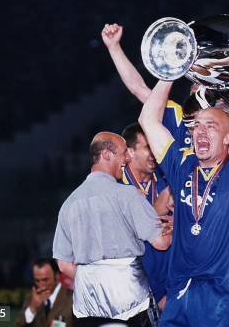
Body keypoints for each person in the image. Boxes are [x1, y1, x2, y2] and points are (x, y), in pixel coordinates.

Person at [138, 39, 229, 327]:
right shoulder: (182, 167)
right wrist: (169, 71)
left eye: (210, 126)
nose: (199, 131)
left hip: (223, 294)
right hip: (181, 290)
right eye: (196, 126)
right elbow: (148, 119)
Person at [53, 132, 171, 327]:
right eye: (124, 153)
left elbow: (64, 264)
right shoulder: (127, 195)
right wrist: (176, 226)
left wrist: (95, 277)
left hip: (87, 304)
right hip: (130, 299)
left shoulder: (69, 204)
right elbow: (161, 242)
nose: (127, 158)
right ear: (107, 154)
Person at [121, 122, 173, 310]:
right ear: (129, 153)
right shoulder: (116, 188)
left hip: (169, 288)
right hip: (131, 292)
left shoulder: (165, 180)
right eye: (147, 148)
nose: (154, 153)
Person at [15, 258, 73, 327]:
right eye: (37, 280)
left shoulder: (73, 298)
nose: (41, 285)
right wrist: (33, 308)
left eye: (45, 280)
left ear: (57, 276)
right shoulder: (31, 299)